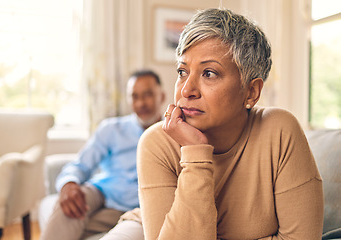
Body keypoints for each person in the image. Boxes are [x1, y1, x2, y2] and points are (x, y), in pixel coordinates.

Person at [136, 8, 324, 240]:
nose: (186, 90)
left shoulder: (280, 131)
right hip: (145, 225)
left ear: (251, 92)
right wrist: (195, 154)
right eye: (182, 71)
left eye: (209, 73)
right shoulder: (157, 142)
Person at [40, 69, 165, 240]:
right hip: (101, 193)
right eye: (134, 96)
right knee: (70, 204)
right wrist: (69, 183)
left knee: (76, 228)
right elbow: (80, 165)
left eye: (148, 95)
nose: (141, 103)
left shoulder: (172, 135)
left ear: (162, 96)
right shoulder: (111, 129)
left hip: (137, 208)